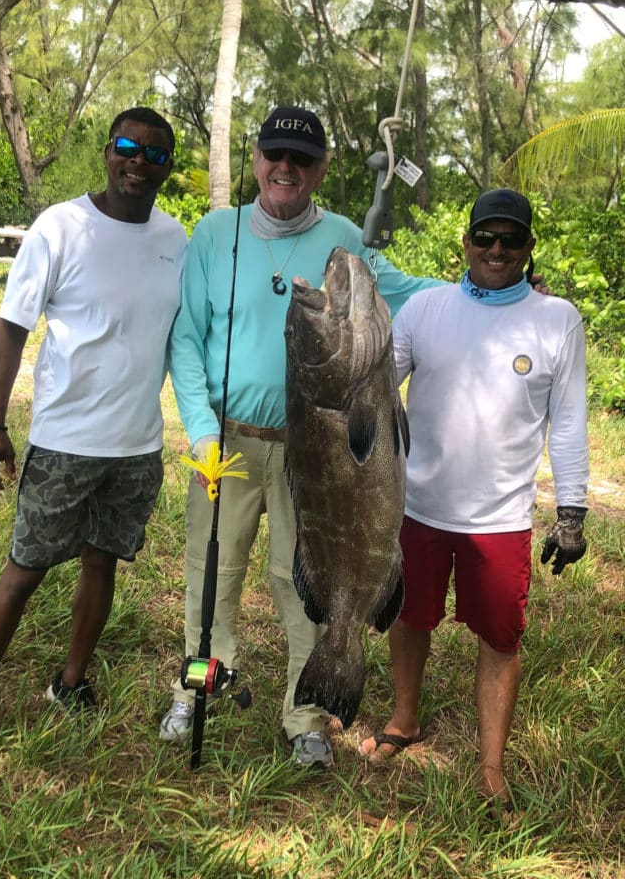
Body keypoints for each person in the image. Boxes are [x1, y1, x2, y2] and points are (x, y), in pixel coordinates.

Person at [160, 106, 438, 766]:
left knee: (304, 578)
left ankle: (307, 715)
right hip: (224, 443)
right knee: (211, 571)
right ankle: (197, 686)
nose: (286, 168)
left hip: (316, 452)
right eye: (274, 154)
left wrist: (488, 286)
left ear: (320, 169)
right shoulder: (215, 234)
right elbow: (188, 341)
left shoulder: (341, 235)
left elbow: (399, 291)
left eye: (302, 159)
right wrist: (201, 432)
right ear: (256, 157)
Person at [0, 107, 187, 757]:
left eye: (154, 154)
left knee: (102, 563)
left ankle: (70, 681)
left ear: (167, 167)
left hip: (137, 447)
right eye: (128, 147)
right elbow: (10, 329)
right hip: (63, 445)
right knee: (23, 573)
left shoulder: (175, 238)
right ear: (108, 150)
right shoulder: (61, 226)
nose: (139, 162)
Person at [357, 188, 589, 812]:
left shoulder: (557, 320)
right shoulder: (426, 309)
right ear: (464, 242)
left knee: (500, 638)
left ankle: (491, 764)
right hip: (417, 504)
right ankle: (405, 719)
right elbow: (376, 386)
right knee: (408, 618)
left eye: (510, 239)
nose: (495, 249)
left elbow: (567, 423)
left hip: (502, 518)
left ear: (528, 248)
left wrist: (572, 513)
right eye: (484, 236)